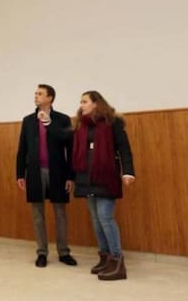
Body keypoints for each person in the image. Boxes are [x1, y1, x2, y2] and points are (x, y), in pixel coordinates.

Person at [71, 90, 135, 280]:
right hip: (86, 178)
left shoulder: (112, 122)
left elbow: (124, 148)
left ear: (96, 104)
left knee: (105, 217)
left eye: (85, 101)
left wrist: (128, 171)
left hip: (106, 177)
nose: (81, 105)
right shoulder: (80, 124)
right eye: (81, 101)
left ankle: (117, 261)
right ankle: (105, 257)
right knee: (96, 219)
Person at [16, 84, 78, 268]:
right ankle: (42, 252)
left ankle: (64, 252)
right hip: (35, 172)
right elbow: (22, 149)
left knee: (60, 213)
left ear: (50, 98)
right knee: (37, 213)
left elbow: (70, 149)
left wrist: (71, 176)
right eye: (35, 93)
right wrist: (20, 174)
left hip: (58, 172)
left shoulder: (63, 119)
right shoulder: (28, 121)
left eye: (40, 93)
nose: (35, 96)